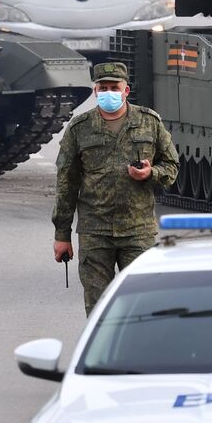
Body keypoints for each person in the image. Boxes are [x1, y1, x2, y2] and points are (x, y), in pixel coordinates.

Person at [53, 62, 181, 313]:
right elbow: (66, 183)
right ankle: (103, 353)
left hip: (137, 231)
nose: (109, 92)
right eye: (103, 87)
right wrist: (62, 235)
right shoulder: (80, 128)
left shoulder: (149, 122)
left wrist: (150, 173)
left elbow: (171, 166)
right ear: (95, 91)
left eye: (115, 87)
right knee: (98, 306)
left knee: (142, 303)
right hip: (94, 231)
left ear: (126, 90)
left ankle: (138, 351)